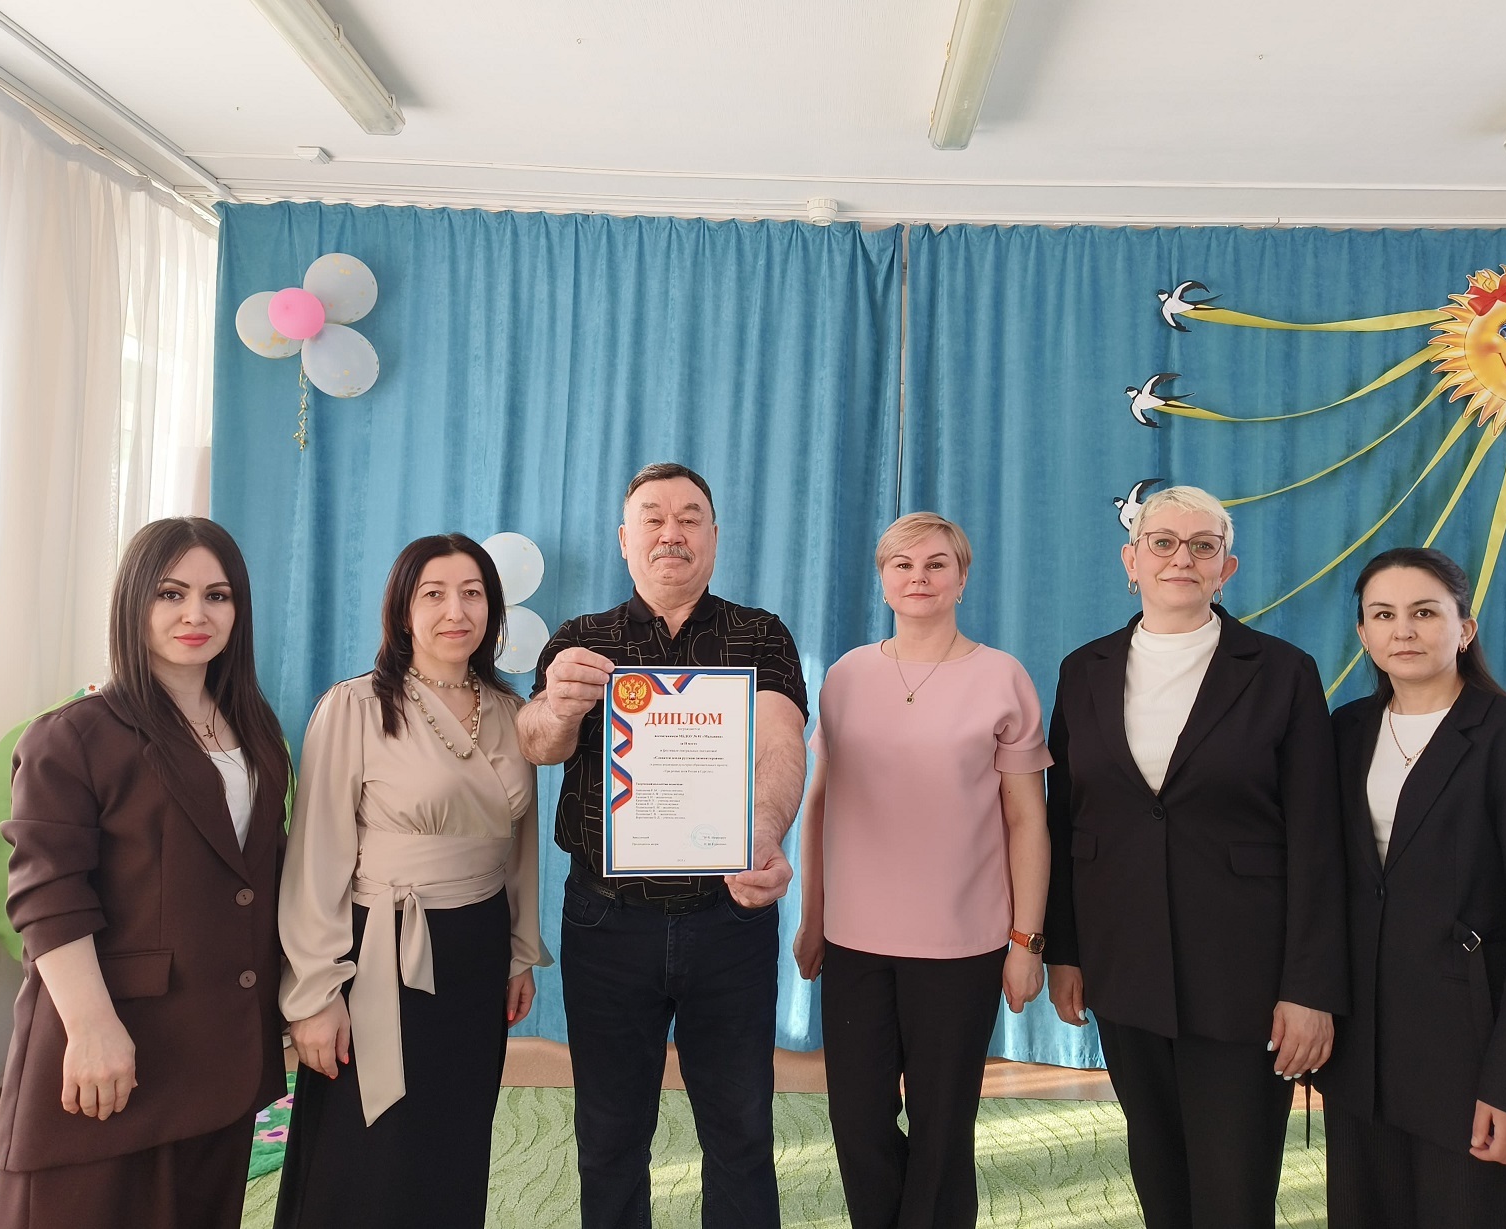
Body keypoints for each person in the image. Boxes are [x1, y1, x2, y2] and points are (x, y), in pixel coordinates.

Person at [1043, 485, 1347, 1229]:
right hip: (1123, 963)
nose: (1181, 557)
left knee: (1233, 1189)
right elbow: (1066, 822)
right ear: (1131, 560)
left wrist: (1309, 986)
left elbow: (1317, 839)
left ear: (1225, 568)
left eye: (1202, 545)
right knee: (1158, 1172)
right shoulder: (1083, 669)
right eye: (1163, 542)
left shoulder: (1282, 671)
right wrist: (1065, 951)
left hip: (1243, 973)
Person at [518, 462, 808, 1229]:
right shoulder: (580, 640)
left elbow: (781, 741)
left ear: (713, 535)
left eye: (688, 517)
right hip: (605, 922)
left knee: (740, 1129)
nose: (670, 532)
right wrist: (558, 704)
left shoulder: (759, 634)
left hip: (729, 917)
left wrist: (763, 832)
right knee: (609, 1133)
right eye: (652, 517)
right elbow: (537, 742)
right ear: (625, 539)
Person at [0, 517, 291, 1229]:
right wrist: (92, 1027)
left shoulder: (256, 731)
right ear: (134, 600)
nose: (196, 614)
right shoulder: (74, 734)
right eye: (170, 593)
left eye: (217, 595)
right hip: (111, 1043)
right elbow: (47, 893)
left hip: (220, 1050)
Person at [272, 533, 549, 1228]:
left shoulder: (512, 713)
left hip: (476, 950)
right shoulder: (355, 706)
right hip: (378, 947)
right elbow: (315, 857)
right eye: (434, 594)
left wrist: (519, 951)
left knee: (454, 1137)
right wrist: (313, 994)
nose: (456, 610)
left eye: (473, 593)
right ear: (402, 610)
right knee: (368, 1147)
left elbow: (517, 849)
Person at [792, 512, 1050, 1229]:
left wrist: (1026, 942)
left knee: (943, 1127)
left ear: (962, 579)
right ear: (882, 580)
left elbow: (1027, 821)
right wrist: (812, 917)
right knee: (857, 1122)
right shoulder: (846, 675)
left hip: (963, 944)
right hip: (854, 941)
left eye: (937, 564)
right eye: (902, 565)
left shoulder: (1002, 677)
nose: (919, 577)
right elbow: (819, 804)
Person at [1316, 547, 1506, 1229]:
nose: (1402, 630)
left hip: (1471, 1048)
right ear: (1363, 634)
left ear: (1463, 628)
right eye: (1383, 615)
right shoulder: (1343, 732)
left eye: (1424, 612)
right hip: (1363, 1051)